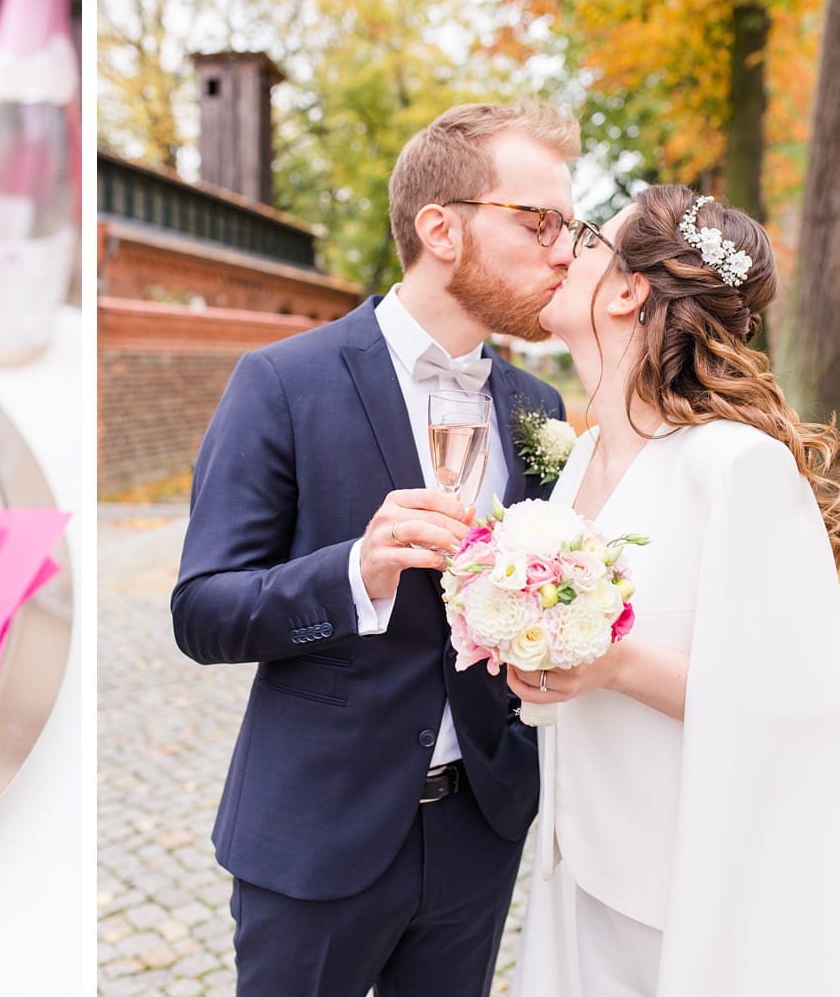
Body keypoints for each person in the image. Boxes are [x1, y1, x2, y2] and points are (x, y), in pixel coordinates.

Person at [172, 102, 577, 996]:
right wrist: (357, 570)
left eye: (570, 227)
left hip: (478, 829)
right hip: (317, 831)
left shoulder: (537, 409)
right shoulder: (281, 381)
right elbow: (201, 609)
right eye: (539, 221)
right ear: (441, 227)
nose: (562, 250)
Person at [508, 186, 840, 996]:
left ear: (629, 289)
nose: (562, 253)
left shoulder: (733, 465)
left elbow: (799, 699)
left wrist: (616, 663)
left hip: (691, 892)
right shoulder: (581, 464)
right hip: (575, 870)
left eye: (587, 239)